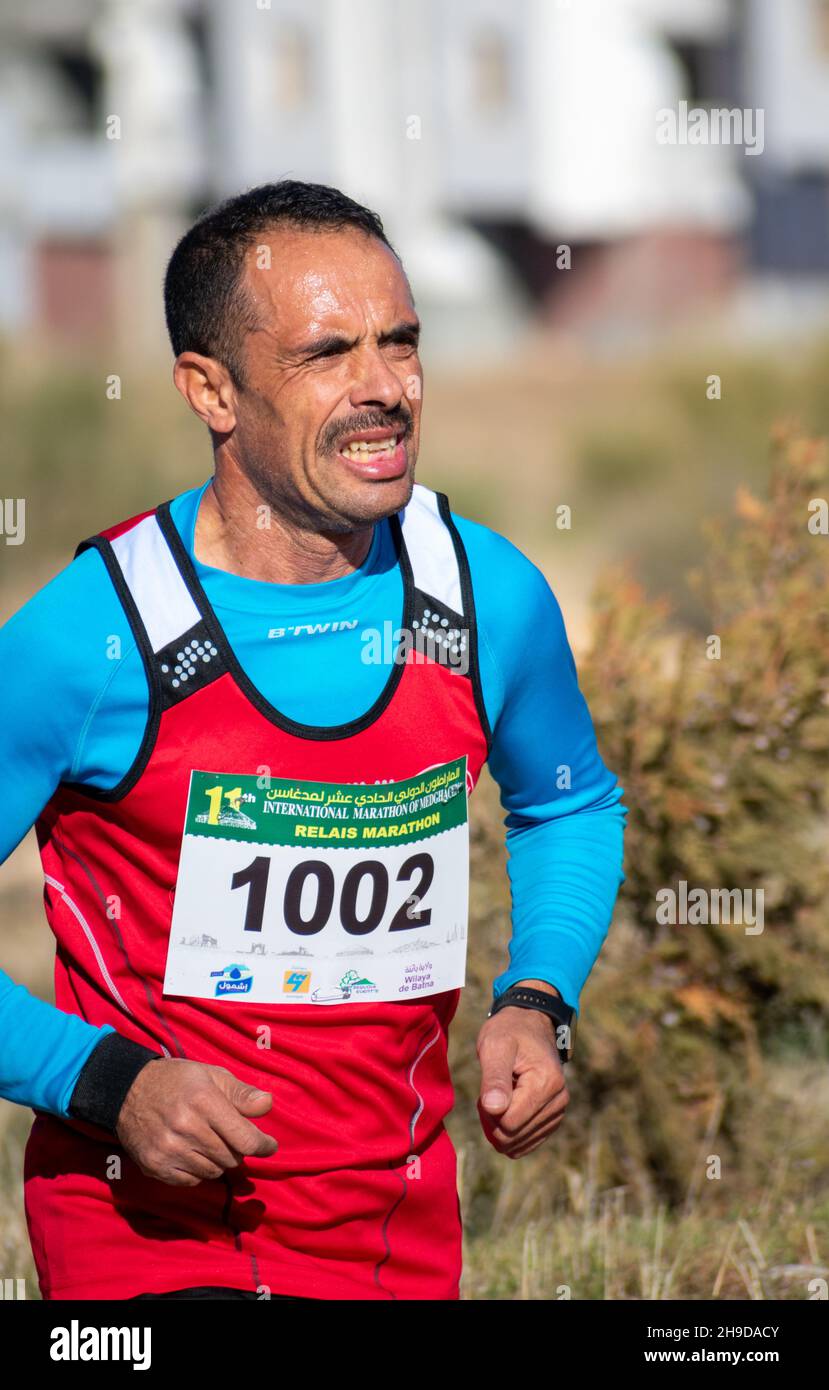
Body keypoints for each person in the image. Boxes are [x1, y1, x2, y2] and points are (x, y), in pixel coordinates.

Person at [0, 180, 626, 1301]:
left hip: (394, 1234)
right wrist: (102, 1081)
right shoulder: (92, 637)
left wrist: (536, 997)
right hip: (147, 1236)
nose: (383, 388)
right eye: (326, 353)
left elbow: (568, 802)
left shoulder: (486, 595)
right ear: (211, 390)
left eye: (402, 341)